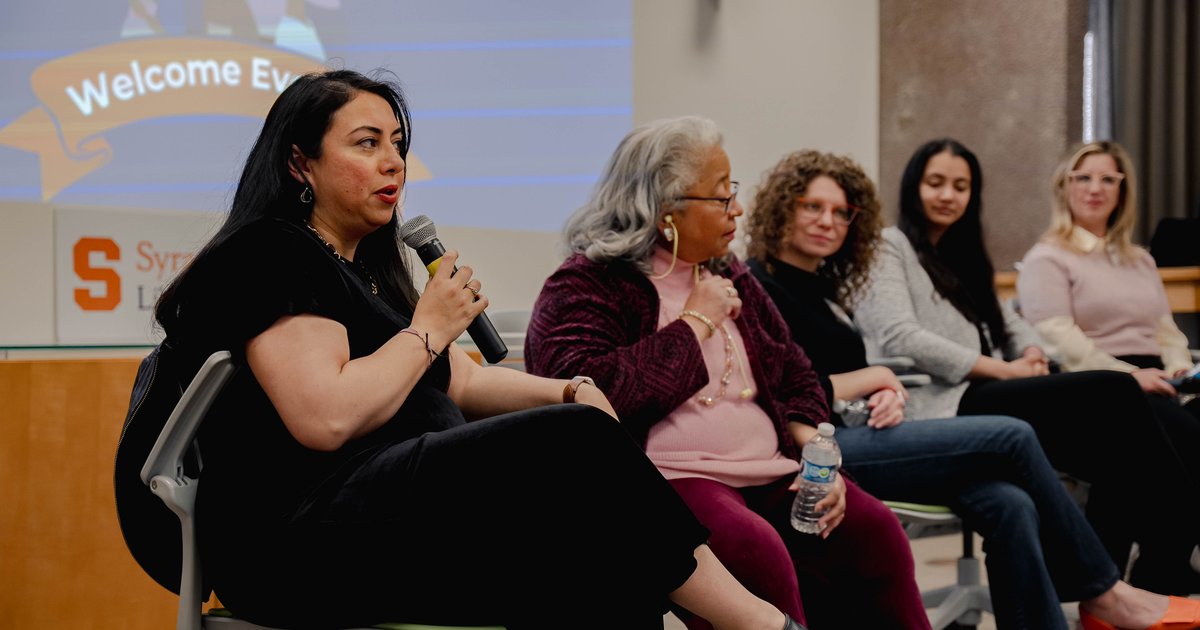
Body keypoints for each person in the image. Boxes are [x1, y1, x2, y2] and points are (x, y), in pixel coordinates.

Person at [150, 70, 805, 630]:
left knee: (606, 560)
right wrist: (429, 328)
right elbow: (325, 417)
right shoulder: (272, 253)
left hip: (389, 520)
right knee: (578, 444)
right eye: (367, 143)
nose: (393, 162)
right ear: (301, 163)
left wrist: (570, 390)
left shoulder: (365, 271)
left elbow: (459, 383)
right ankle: (755, 621)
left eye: (398, 144)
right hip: (303, 543)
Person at [744, 148, 1200, 629]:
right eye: (812, 207)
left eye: (840, 212)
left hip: (867, 422)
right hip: (833, 444)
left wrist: (883, 390)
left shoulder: (826, 287)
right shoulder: (762, 286)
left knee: (1015, 500)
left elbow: (856, 369)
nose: (828, 222)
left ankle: (1105, 592)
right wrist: (879, 380)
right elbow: (794, 387)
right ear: (782, 208)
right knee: (1036, 425)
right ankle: (1107, 591)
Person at [525, 115, 931, 630]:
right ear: (666, 209)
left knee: (874, 531)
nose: (736, 208)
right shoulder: (587, 283)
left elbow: (797, 374)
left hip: (768, 468)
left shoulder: (728, 271)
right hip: (663, 483)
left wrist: (815, 457)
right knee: (753, 550)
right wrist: (695, 322)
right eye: (721, 196)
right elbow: (584, 399)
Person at [1017, 140, 1200, 472]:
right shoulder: (1047, 258)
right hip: (1099, 386)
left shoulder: (1141, 260)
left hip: (1159, 380)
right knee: (1187, 440)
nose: (1095, 189)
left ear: (1122, 191)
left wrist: (1179, 370)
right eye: (1083, 178)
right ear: (1065, 187)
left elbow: (1165, 331)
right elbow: (1060, 342)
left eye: (1108, 180)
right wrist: (1130, 377)